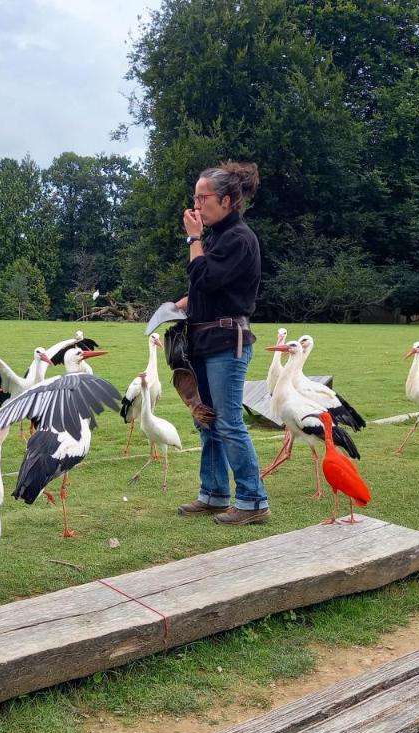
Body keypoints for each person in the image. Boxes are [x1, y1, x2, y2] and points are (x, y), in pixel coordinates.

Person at [173, 161, 270, 525]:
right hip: (205, 339)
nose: (196, 205)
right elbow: (203, 286)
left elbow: (208, 279)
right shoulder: (216, 237)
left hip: (228, 342)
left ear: (227, 200)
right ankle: (213, 494)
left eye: (203, 197)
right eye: (195, 197)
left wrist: (193, 239)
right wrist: (180, 305)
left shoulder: (238, 238)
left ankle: (253, 501)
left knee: (228, 422)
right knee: (207, 420)